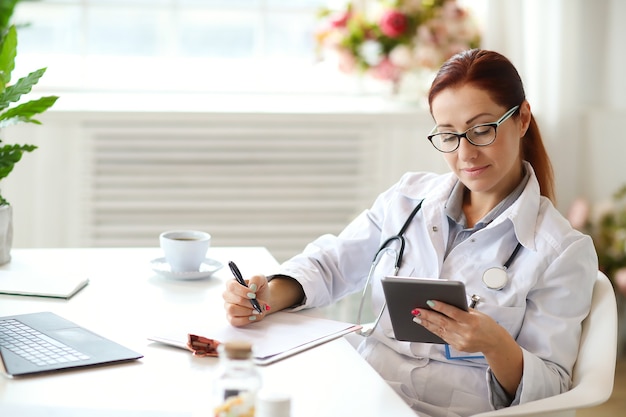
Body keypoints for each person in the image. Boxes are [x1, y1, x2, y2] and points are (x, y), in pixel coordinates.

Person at [222, 49, 598, 417]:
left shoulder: (562, 251)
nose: (465, 154)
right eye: (448, 135)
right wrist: (266, 296)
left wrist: (495, 345)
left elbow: (553, 389)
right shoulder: (407, 199)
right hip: (364, 393)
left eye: (481, 130)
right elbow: (333, 264)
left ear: (522, 119)